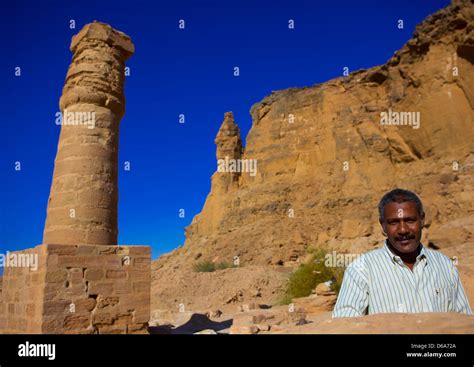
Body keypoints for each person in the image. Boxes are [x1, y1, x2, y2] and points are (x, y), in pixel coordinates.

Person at [332, 188, 472, 317]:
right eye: (394, 222)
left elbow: (463, 319)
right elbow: (344, 324)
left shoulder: (445, 265)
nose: (403, 230)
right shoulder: (361, 270)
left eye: (410, 220)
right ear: (383, 226)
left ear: (422, 219)